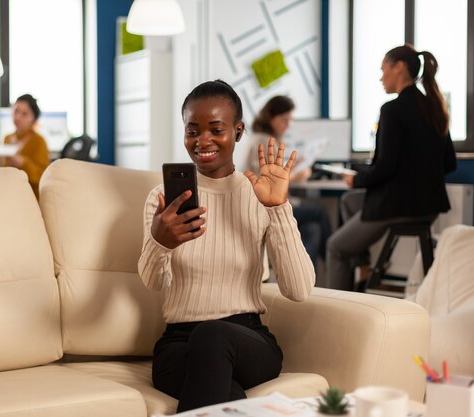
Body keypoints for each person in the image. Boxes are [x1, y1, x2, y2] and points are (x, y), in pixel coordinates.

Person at [138, 80, 315, 412]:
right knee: (218, 381)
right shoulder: (163, 199)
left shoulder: (259, 194)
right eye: (192, 131)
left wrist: (277, 208)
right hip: (178, 343)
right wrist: (161, 242)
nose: (202, 141)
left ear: (237, 131)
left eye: (215, 129)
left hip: (247, 339)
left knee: (214, 336)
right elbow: (153, 282)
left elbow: (299, 289)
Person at [326, 44, 457, 291]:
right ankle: (364, 267)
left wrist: (357, 179)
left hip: (400, 205)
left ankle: (339, 308)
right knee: (349, 201)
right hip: (430, 206)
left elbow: (385, 167)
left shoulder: (392, 110)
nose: (380, 76)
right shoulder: (434, 107)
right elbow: (449, 163)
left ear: (399, 67)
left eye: (383, 69)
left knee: (336, 247)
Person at [247, 96, 331, 266]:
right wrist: (296, 176)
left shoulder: (263, 138)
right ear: (270, 118)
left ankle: (306, 280)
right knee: (320, 212)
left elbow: (273, 175)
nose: (287, 125)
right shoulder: (264, 141)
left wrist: (293, 167)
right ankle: (333, 262)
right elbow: (269, 185)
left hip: (270, 202)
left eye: (289, 120)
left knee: (312, 229)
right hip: (263, 205)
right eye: (284, 120)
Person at [1, 94, 49, 198]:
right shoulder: (7, 138)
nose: (18, 117)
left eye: (24, 114)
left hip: (31, 197)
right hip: (10, 194)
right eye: (16, 111)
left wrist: (23, 162)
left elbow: (42, 177)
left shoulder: (39, 141)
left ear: (34, 119)